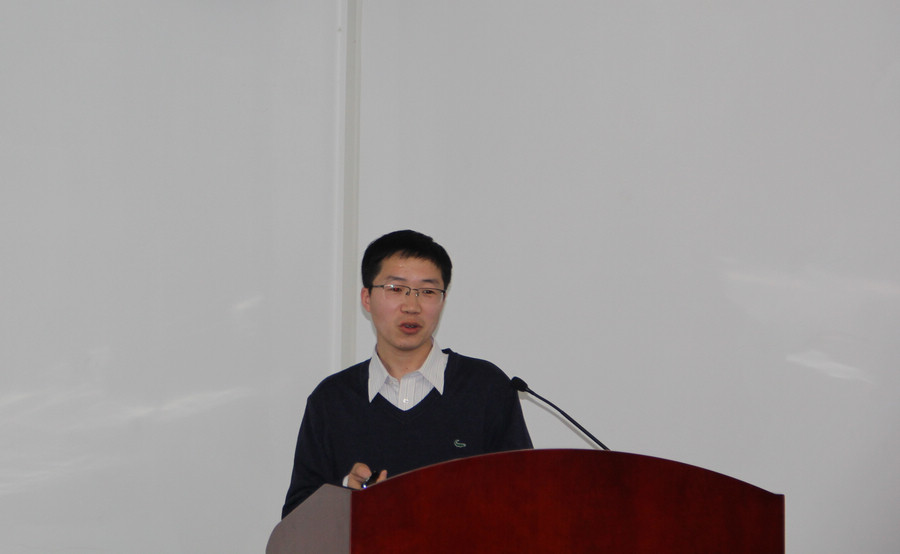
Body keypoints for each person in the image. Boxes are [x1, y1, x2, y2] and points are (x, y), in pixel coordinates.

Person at [281, 229, 532, 518]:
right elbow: (295, 521)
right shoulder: (332, 400)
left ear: (442, 300)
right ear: (367, 298)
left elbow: (525, 499)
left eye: (427, 292)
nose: (411, 306)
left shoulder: (485, 388)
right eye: (396, 289)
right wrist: (346, 492)